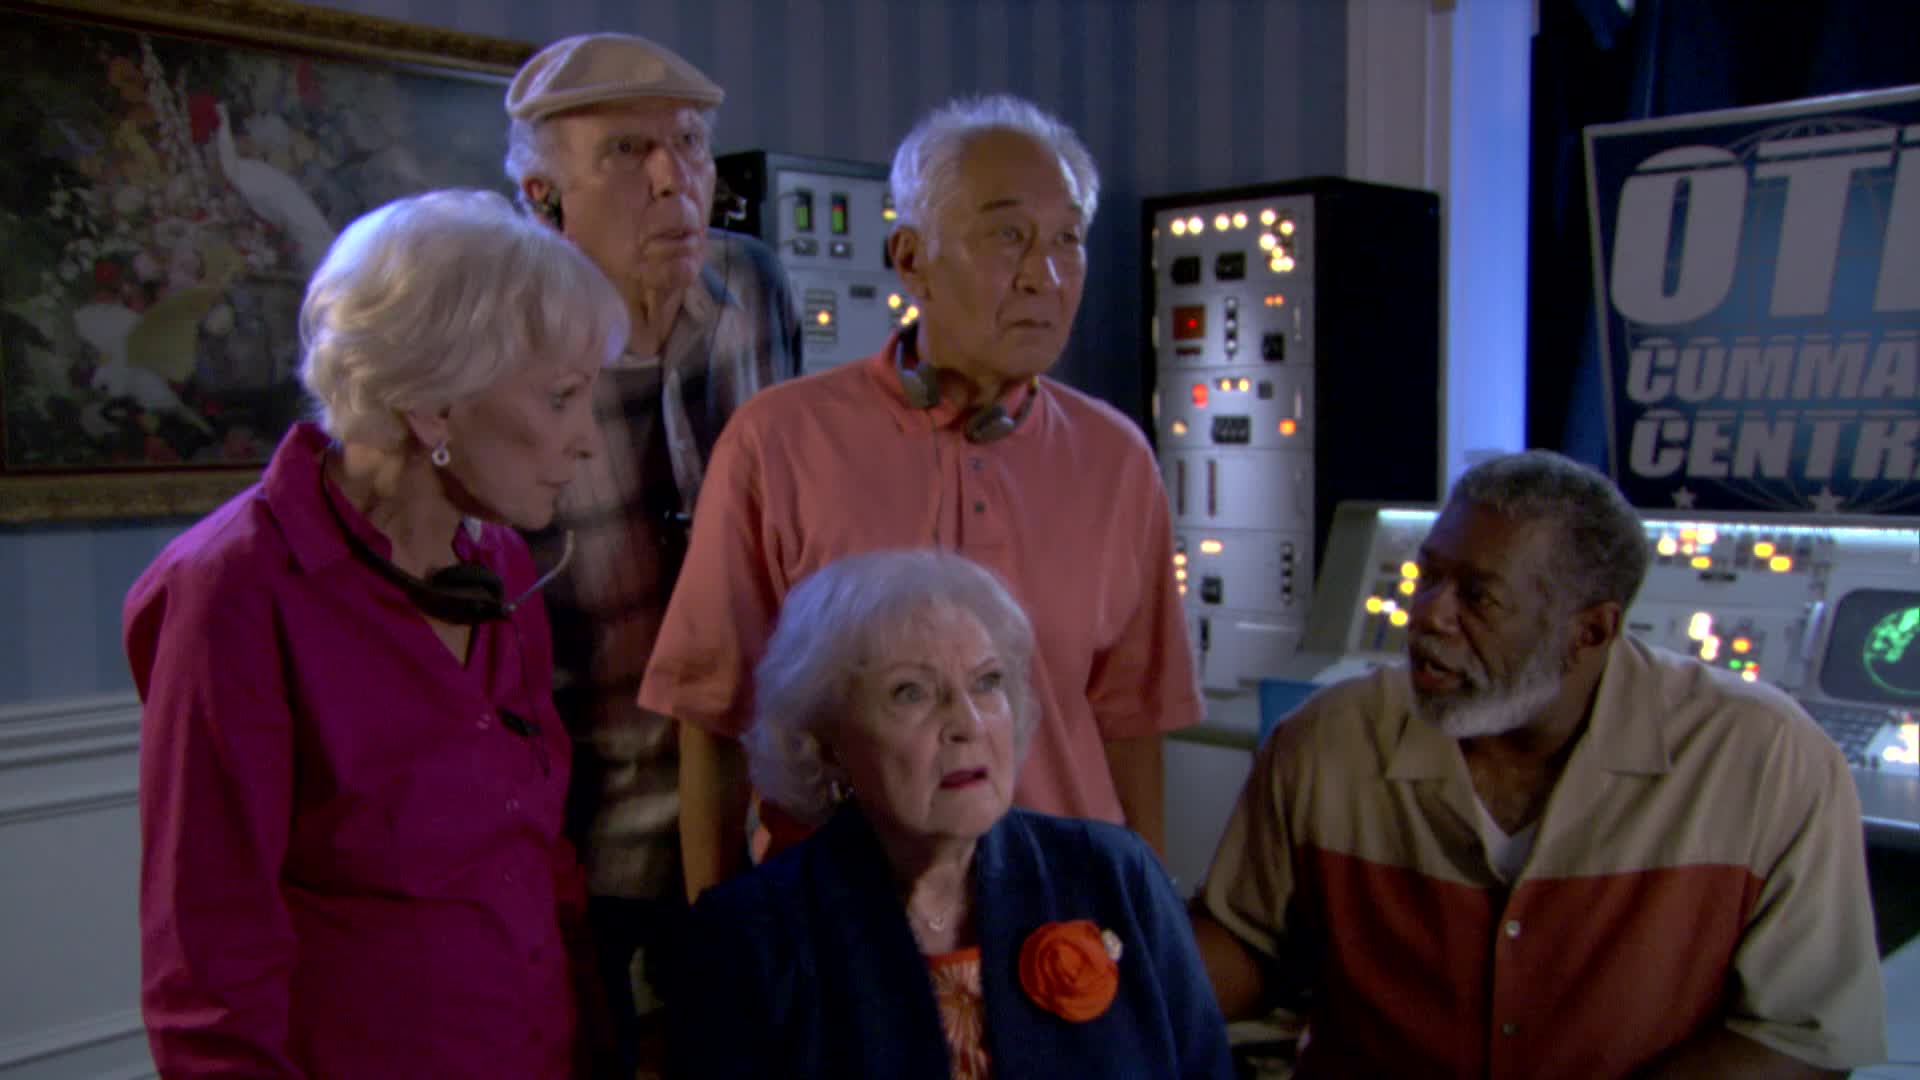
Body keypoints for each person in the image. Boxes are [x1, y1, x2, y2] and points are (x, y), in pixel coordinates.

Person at [641, 93, 1199, 904]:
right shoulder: (780, 441)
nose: (1044, 277)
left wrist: (1151, 922)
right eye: (1008, 236)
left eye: (1067, 240)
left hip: (1064, 918)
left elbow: (1132, 723)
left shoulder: (1116, 458)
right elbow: (712, 713)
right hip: (841, 918)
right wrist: (719, 933)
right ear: (910, 259)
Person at [124, 189, 628, 1078]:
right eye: (561, 398)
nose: (589, 441)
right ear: (433, 407)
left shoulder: (500, 563)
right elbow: (208, 957)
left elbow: (537, 863)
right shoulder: (233, 589)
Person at [1193, 450, 1888, 1077]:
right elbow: (1249, 945)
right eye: (1427, 576)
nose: (1428, 615)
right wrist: (1134, 967)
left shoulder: (1767, 761)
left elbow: (1800, 1040)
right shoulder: (1324, 741)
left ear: (1591, 631)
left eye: (1477, 596)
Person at [502, 30, 801, 1060]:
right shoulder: (505, 352)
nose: (675, 179)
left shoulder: (754, 290)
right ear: (544, 198)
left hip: (763, 820)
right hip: (587, 842)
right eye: (628, 152)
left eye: (689, 144)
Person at [667, 549, 1234, 1078]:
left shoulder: (1116, 876)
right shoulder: (748, 936)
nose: (968, 722)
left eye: (987, 683)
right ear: (828, 741)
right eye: (911, 692)